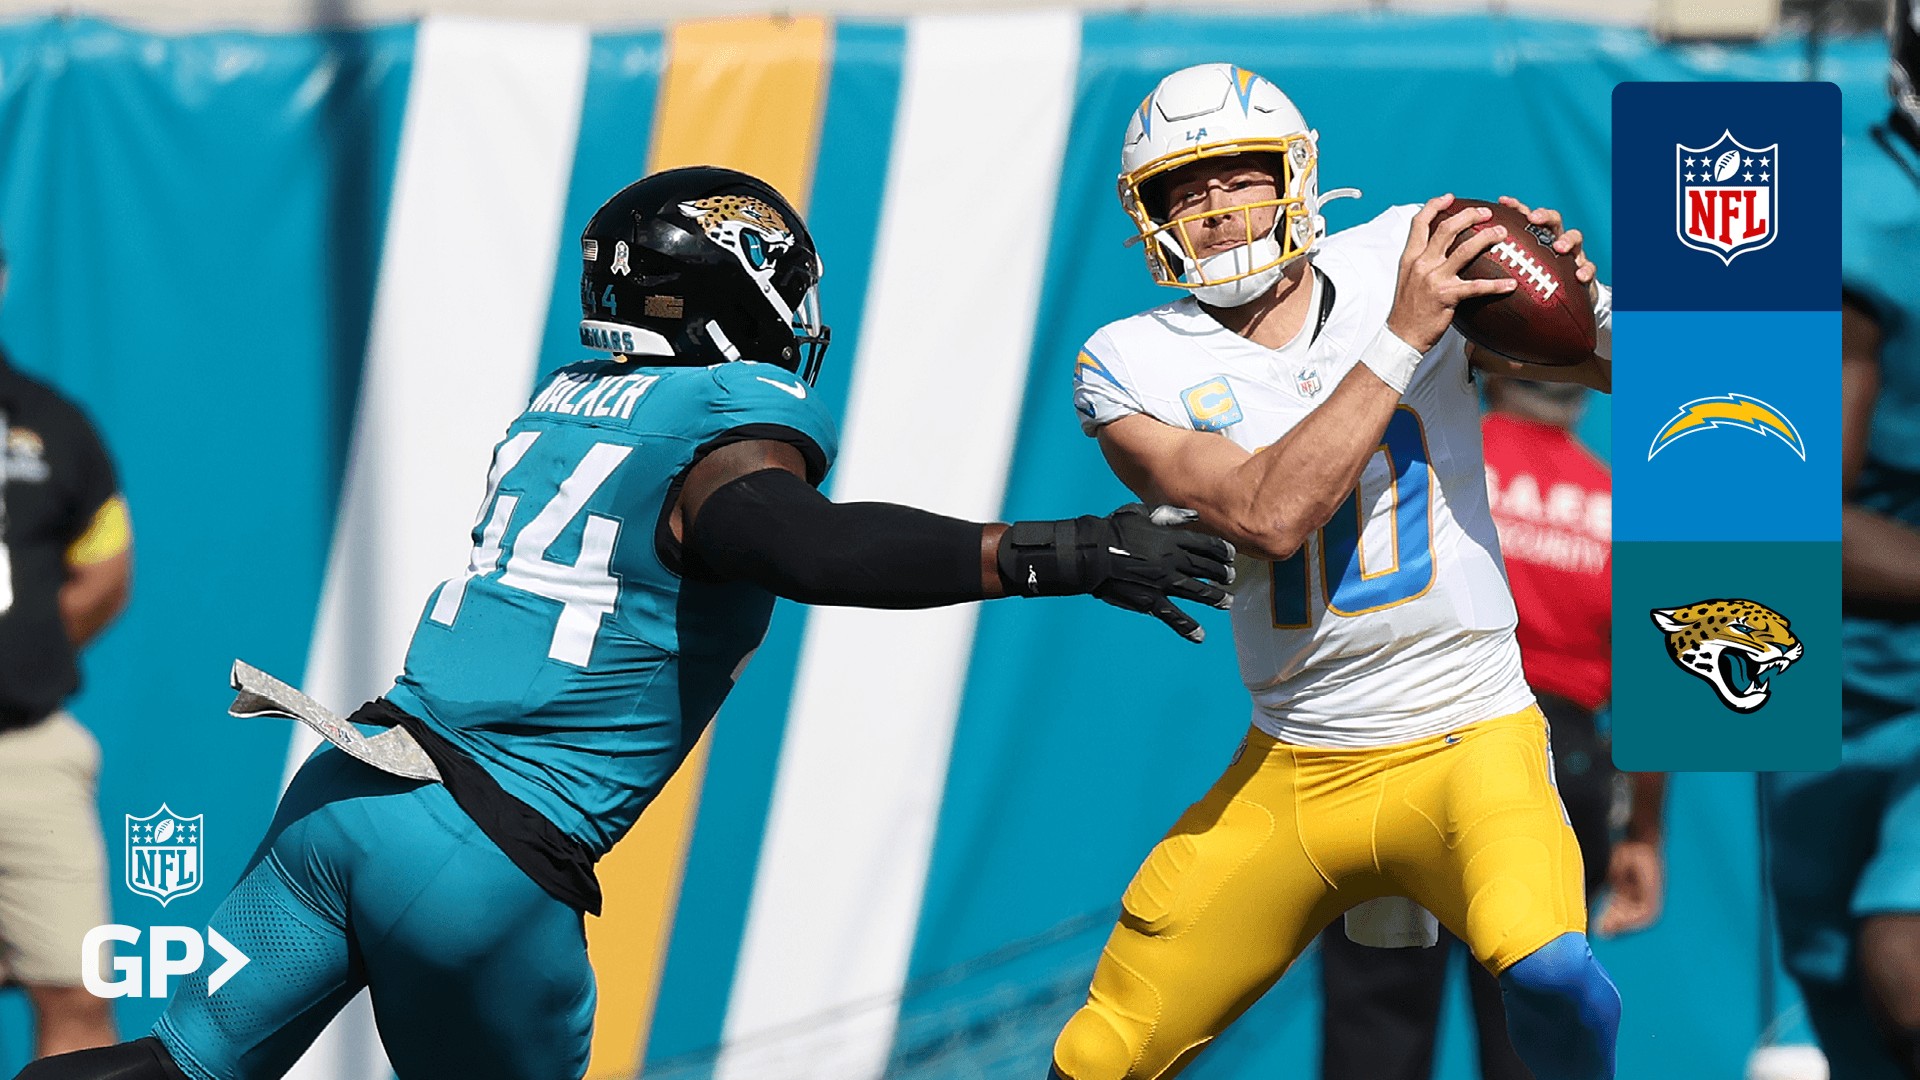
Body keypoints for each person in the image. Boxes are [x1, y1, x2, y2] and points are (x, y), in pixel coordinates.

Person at [10, 166, 1234, 1080]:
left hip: (349, 787)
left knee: (170, 1067)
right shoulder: (726, 418)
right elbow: (797, 545)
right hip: (483, 853)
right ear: (740, 293)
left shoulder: (567, 402)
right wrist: (1067, 551)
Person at [1051, 63, 1618, 1080]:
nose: (1216, 208)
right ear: (1150, 213)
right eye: (1186, 188)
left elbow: (1640, 368)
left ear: (1294, 177)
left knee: (1553, 977)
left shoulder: (1408, 246)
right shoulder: (1130, 361)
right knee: (1102, 1052)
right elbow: (1267, 514)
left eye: (1239, 176)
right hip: (1302, 757)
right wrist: (1403, 336)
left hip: (1471, 734)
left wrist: (1573, 306)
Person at [1316, 376, 1666, 1080]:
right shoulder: (1620, 504)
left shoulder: (1414, 468)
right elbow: (1650, 692)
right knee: (1532, 1027)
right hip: (1553, 766)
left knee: (1377, 1021)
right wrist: (1644, 837)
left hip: (1404, 741)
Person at [1763, 4, 1920, 1076]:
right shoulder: (1834, 211)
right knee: (1851, 1011)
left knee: (1906, 959)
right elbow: (1747, 520)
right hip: (1817, 682)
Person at [0, 241, 134, 1061]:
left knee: (79, 996)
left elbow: (107, 571)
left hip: (27, 754)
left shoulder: (54, 424)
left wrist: (26, 650)